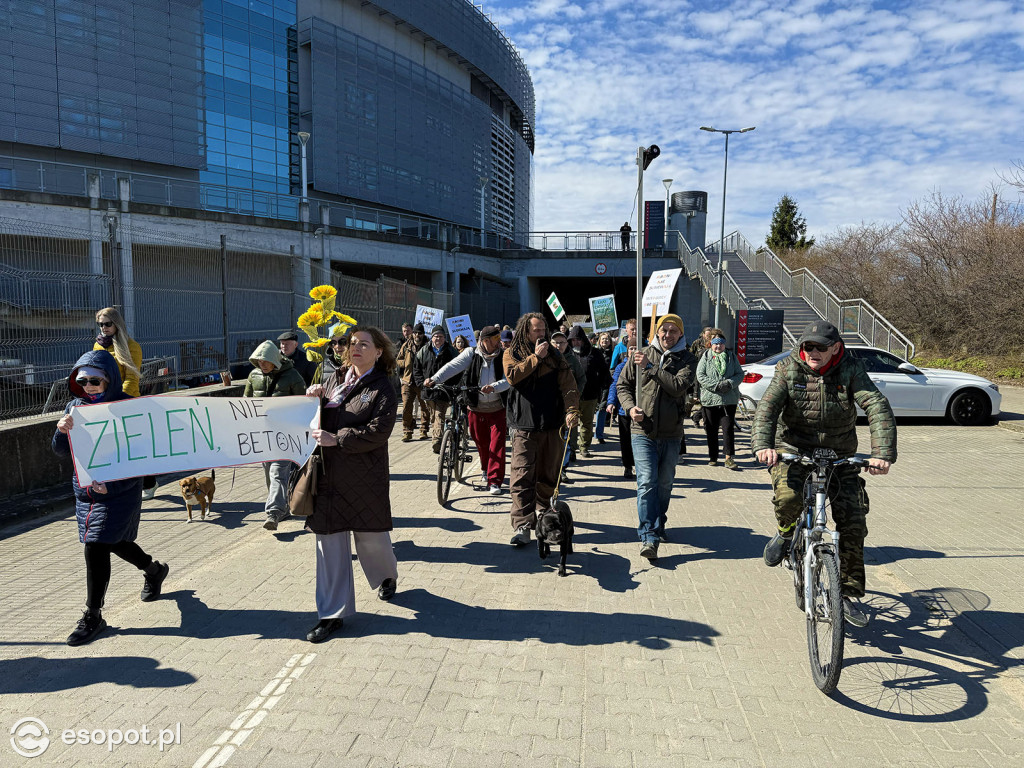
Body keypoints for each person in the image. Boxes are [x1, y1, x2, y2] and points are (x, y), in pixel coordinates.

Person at [751, 321, 896, 627]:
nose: (813, 352)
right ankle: (786, 532)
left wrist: (881, 454)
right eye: (808, 347)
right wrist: (764, 445)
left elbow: (876, 406)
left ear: (835, 348)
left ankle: (845, 595)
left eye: (820, 347)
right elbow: (767, 407)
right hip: (793, 449)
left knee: (854, 518)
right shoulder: (789, 368)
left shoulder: (851, 368)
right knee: (789, 499)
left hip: (839, 453)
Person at [52, 351, 169, 646]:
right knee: (113, 541)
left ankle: (93, 614)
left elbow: (142, 456)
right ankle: (154, 570)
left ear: (109, 380)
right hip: (87, 490)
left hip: (119, 492)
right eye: (83, 381)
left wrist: (114, 488)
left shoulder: (127, 408)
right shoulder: (75, 407)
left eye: (95, 381)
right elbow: (62, 451)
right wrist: (61, 430)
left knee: (96, 544)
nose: (88, 386)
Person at [304, 327, 400, 643]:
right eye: (352, 343)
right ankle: (332, 615)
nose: (356, 348)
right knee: (328, 544)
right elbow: (318, 423)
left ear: (378, 352)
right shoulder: (334, 378)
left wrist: (338, 439)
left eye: (364, 344)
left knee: (371, 539)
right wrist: (314, 401)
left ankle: (386, 575)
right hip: (327, 475)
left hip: (363, 477)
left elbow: (379, 431)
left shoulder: (383, 387)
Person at [617, 314, 696, 560]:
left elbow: (677, 386)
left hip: (672, 433)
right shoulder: (641, 353)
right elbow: (623, 385)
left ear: (680, 334)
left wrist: (651, 368)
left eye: (673, 331)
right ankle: (648, 535)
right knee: (647, 481)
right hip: (643, 431)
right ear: (657, 332)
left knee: (664, 484)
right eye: (664, 330)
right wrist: (630, 408)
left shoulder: (688, 359)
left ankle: (659, 522)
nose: (668, 335)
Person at [504, 312, 580, 546]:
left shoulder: (557, 357)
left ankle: (544, 513)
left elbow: (569, 386)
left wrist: (571, 411)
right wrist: (535, 358)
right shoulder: (512, 353)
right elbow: (512, 376)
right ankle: (523, 525)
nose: (541, 334)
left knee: (549, 473)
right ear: (525, 331)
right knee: (521, 476)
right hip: (524, 426)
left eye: (543, 330)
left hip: (552, 426)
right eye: (536, 330)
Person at [425, 325, 510, 495]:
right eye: (495, 340)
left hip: (497, 407)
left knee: (497, 445)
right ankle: (485, 468)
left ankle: (495, 481)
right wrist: (434, 379)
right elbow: (452, 366)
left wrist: (494, 387)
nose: (498, 343)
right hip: (475, 407)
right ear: (485, 341)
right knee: (481, 442)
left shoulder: (504, 355)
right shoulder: (471, 353)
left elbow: (509, 379)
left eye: (498, 339)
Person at [94, 307, 157, 499]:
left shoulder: (132, 346)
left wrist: (120, 400)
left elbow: (132, 378)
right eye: (100, 324)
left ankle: (149, 483)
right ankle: (118, 487)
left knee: (134, 447)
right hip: (103, 403)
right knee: (113, 447)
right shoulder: (98, 346)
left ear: (117, 324)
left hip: (127, 402)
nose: (103, 328)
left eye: (107, 324)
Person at [244, 340, 306, 530]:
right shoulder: (253, 375)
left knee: (278, 472)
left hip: (284, 434)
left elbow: (303, 404)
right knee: (269, 474)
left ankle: (273, 513)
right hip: (263, 435)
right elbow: (246, 401)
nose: (261, 364)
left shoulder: (293, 376)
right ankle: (284, 507)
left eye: (265, 360)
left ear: (274, 360)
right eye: (258, 361)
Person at [696, 329, 744, 470]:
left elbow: (739, 374)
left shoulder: (731, 357)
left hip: (728, 399)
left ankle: (729, 458)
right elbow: (700, 376)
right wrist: (716, 386)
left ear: (724, 345)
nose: (718, 347)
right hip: (710, 400)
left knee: (728, 429)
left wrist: (729, 383)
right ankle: (713, 457)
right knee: (711, 429)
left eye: (721, 344)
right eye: (716, 344)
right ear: (711, 344)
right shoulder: (705, 357)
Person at [413, 325, 457, 453]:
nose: (438, 339)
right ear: (432, 338)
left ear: (444, 338)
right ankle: (438, 436)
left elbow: (458, 369)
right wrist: (422, 383)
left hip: (444, 390)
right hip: (428, 391)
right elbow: (416, 369)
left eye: (441, 336)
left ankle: (437, 441)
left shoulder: (451, 351)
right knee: (433, 417)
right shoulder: (423, 351)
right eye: (436, 336)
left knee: (439, 415)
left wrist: (451, 384)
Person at [569, 325, 610, 458]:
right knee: (572, 424)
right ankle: (572, 449)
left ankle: (584, 446)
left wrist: (603, 387)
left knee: (586, 423)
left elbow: (604, 372)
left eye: (578, 340)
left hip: (590, 394)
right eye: (573, 340)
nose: (575, 343)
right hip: (572, 396)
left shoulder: (595, 353)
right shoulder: (568, 353)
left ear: (583, 340)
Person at [551, 331, 585, 484]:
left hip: (567, 406)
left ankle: (562, 470)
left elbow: (582, 379)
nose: (559, 345)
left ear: (567, 344)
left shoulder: (572, 360)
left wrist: (575, 395)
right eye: (556, 342)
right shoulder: (546, 357)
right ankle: (549, 470)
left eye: (562, 342)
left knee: (565, 438)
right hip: (549, 405)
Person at [606, 343, 637, 478]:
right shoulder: (621, 367)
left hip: (642, 409)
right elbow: (614, 385)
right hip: (624, 410)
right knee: (626, 439)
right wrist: (611, 402)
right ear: (627, 351)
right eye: (631, 348)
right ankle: (628, 466)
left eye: (636, 348)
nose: (634, 350)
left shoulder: (646, 365)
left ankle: (641, 465)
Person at [397, 323, 429, 442]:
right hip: (408, 381)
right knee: (406, 407)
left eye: (419, 333)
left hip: (423, 382)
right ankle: (407, 431)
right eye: (415, 333)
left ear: (423, 334)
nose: (417, 335)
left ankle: (424, 430)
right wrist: (405, 363)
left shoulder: (428, 346)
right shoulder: (406, 346)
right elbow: (398, 360)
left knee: (425, 407)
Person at [688, 327, 714, 427]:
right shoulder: (697, 343)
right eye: (707, 335)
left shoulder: (713, 343)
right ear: (703, 335)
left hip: (710, 374)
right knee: (704, 401)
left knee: (708, 402)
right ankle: (701, 419)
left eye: (710, 335)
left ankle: (697, 417)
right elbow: (691, 355)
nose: (708, 337)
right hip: (698, 373)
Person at [594, 332, 614, 444]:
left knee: (602, 409)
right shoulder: (594, 353)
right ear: (599, 341)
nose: (605, 341)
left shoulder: (613, 353)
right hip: (594, 384)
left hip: (606, 384)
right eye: (603, 339)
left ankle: (599, 434)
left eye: (607, 339)